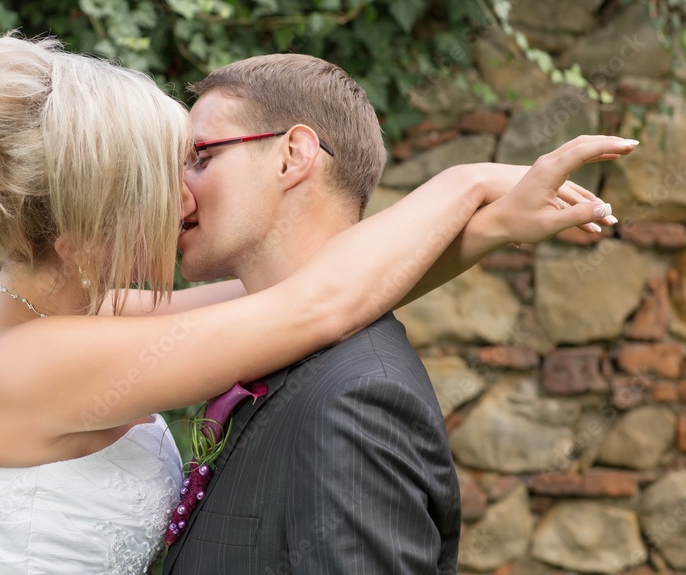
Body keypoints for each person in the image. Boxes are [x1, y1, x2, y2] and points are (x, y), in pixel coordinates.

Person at [0, 36, 630, 574]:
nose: (185, 196)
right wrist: (465, 181)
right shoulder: (29, 362)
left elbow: (294, 295)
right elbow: (314, 307)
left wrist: (492, 228)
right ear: (87, 221)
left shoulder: (56, 316)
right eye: (169, 177)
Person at [162, 53, 629, 574]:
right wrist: (475, 200)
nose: (178, 188)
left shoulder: (358, 400)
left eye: (201, 156)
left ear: (292, 156)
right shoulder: (266, 341)